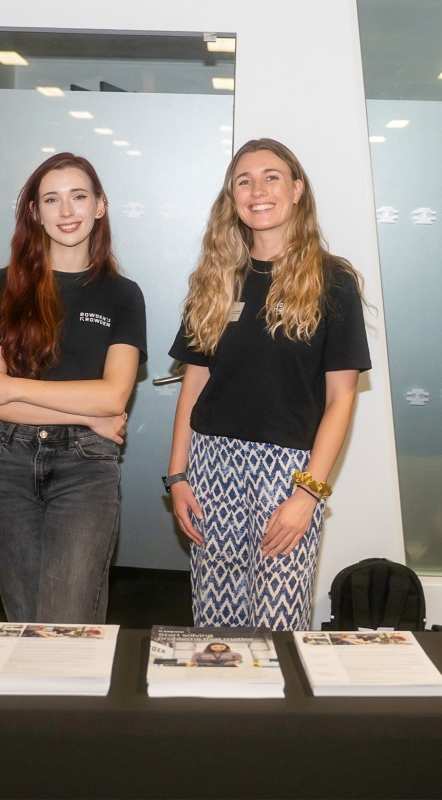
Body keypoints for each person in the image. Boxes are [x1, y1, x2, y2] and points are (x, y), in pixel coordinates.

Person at [166, 138, 371, 632]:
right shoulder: (217, 279)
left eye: (271, 177)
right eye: (244, 180)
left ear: (297, 189)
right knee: (215, 625)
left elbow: (341, 400)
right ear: (232, 198)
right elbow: (194, 383)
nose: (257, 190)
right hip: (212, 465)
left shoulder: (333, 280)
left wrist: (309, 496)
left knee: (279, 625)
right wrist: (177, 477)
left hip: (290, 474)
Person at [0, 152, 147, 624]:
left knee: (67, 621)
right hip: (3, 466)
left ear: (100, 205)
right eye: (52, 199)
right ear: (34, 212)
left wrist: (14, 387)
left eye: (79, 197)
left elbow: (113, 397)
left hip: (85, 469)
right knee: (25, 623)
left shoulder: (123, 295)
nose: (67, 212)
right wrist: (87, 413)